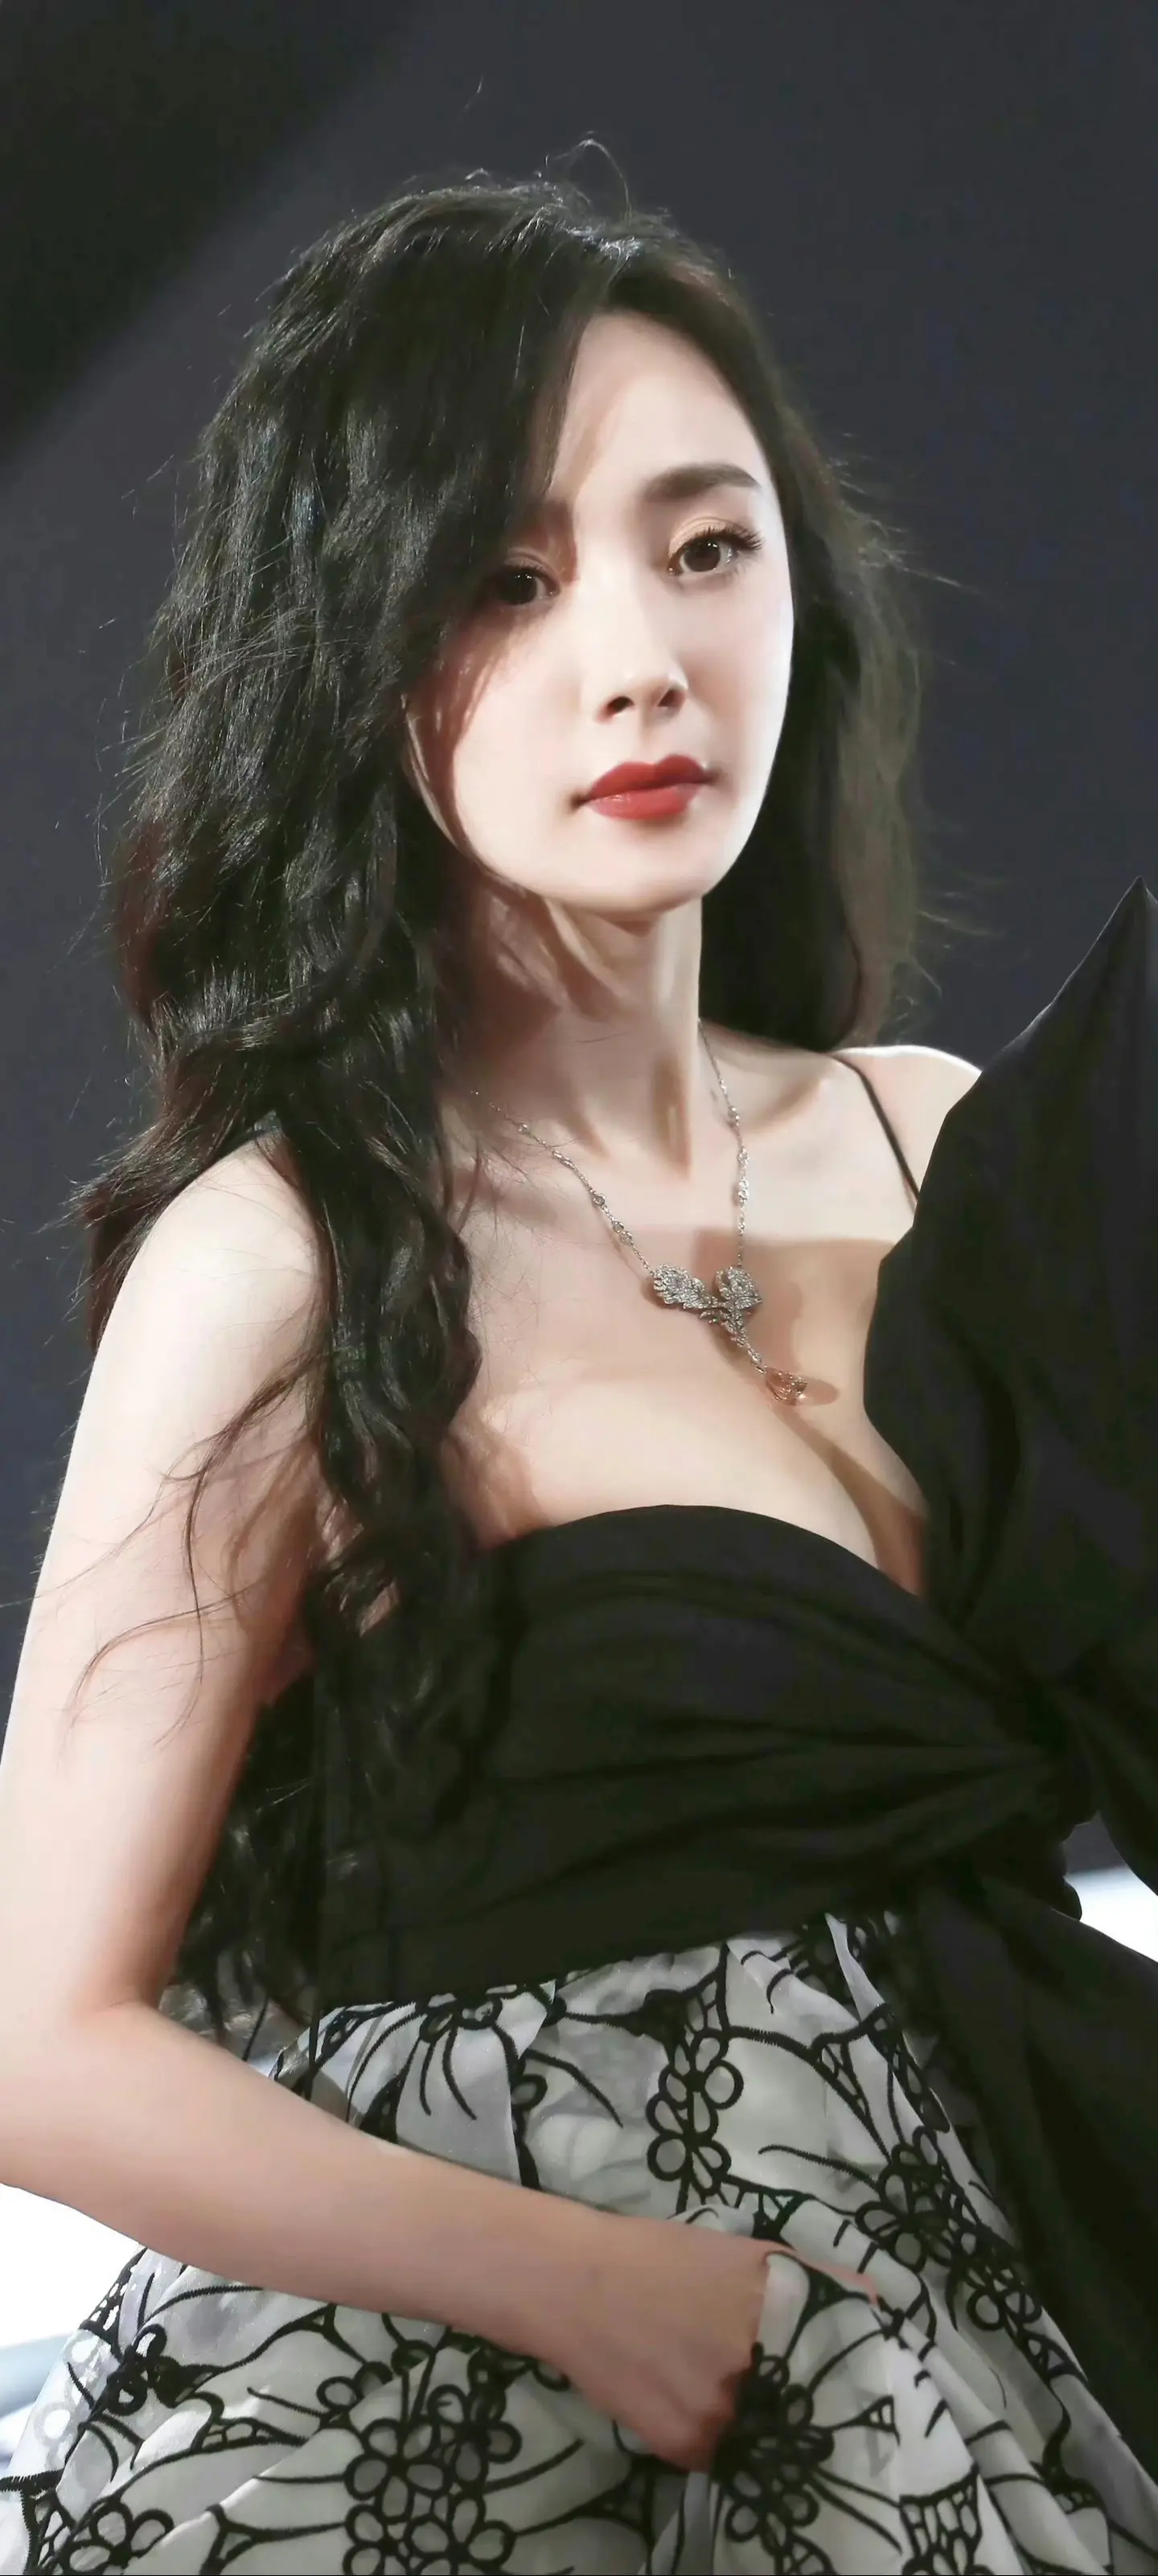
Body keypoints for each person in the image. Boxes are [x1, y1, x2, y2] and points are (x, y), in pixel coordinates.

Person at [1, 164, 1157, 2575]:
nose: (640, 655)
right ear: (353, 644)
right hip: (515, 2409)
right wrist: (595, 2290)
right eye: (508, 580)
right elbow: (38, 2034)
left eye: (705, 545)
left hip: (1008, 2296)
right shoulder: (297, 1253)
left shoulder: (931, 1140)